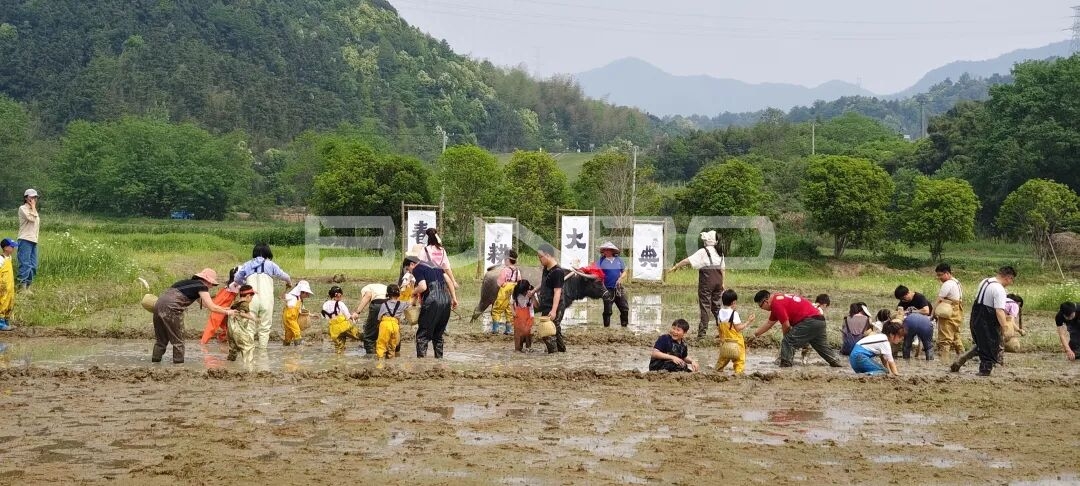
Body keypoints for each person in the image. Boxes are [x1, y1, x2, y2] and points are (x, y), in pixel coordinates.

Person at [152, 268, 236, 363]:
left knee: (160, 341)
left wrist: (226, 308)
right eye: (212, 284)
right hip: (172, 310)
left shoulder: (187, 284)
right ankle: (178, 367)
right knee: (178, 341)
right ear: (207, 281)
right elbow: (212, 307)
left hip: (157, 306)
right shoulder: (201, 286)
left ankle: (154, 364)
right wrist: (228, 313)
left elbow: (205, 304)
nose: (211, 286)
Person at [750, 290, 843, 368]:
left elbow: (786, 325)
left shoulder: (776, 304)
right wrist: (755, 335)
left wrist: (787, 340)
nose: (762, 309)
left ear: (765, 301)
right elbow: (769, 323)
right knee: (822, 347)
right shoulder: (778, 299)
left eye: (760, 306)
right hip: (820, 320)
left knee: (787, 341)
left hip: (809, 321)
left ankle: (785, 367)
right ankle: (837, 363)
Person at [951, 266, 1016, 376]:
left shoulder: (985, 281)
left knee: (982, 344)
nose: (1011, 283)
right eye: (1012, 280)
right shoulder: (999, 289)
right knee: (990, 345)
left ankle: (961, 359)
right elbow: (999, 311)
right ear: (1008, 278)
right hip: (987, 319)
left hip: (976, 315)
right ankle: (984, 371)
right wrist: (1004, 327)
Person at [232, 244, 293, 348]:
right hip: (266, 299)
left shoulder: (247, 264)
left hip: (250, 299)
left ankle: (248, 350)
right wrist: (289, 282)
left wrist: (244, 284)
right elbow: (285, 276)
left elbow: (237, 279)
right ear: (268, 253)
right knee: (265, 327)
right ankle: (263, 352)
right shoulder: (271, 264)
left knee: (250, 326)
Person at [669, 231, 726, 338]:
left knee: (705, 307)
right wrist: (723, 283)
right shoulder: (720, 252)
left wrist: (676, 266)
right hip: (718, 282)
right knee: (717, 308)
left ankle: (702, 334)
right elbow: (723, 269)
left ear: (706, 241)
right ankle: (723, 332)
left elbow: (687, 261)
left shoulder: (703, 251)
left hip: (707, 283)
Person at [407, 256, 458, 358]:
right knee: (438, 334)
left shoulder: (418, 268)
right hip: (445, 300)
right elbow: (449, 281)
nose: (410, 273)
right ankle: (439, 360)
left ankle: (421, 363)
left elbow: (423, 287)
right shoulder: (436, 266)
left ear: (412, 264)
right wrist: (454, 298)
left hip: (432, 301)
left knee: (422, 335)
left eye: (409, 270)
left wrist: (412, 293)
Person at [536, 243, 567, 353]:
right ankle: (562, 352)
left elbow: (557, 291)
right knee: (555, 331)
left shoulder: (557, 272)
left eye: (541, 257)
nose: (539, 260)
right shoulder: (546, 268)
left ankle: (553, 356)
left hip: (555, 306)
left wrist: (554, 310)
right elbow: (544, 283)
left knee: (548, 332)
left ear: (548, 255)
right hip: (546, 304)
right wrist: (534, 291)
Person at [716, 290, 754, 374]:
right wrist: (748, 321)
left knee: (722, 359)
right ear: (733, 302)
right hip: (736, 343)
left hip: (725, 342)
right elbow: (738, 328)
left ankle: (717, 371)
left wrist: (721, 339)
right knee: (739, 361)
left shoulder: (720, 313)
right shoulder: (734, 313)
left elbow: (719, 328)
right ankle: (738, 374)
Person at [593, 242, 630, 328]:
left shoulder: (619, 260)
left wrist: (620, 279)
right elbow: (594, 271)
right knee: (608, 310)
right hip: (607, 289)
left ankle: (624, 327)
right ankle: (607, 328)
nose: (606, 251)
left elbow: (624, 271)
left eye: (608, 249)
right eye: (605, 250)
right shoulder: (601, 261)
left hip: (618, 288)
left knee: (624, 308)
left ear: (612, 251)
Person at [201, 266, 240, 345]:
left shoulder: (231, 285)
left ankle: (222, 340)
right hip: (219, 306)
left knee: (226, 325)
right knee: (212, 326)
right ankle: (203, 344)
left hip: (223, 305)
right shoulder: (235, 284)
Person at [934, 263, 965, 359]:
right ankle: (963, 356)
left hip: (948, 311)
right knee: (955, 334)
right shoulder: (956, 282)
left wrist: (932, 314)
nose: (939, 278)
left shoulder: (947, 284)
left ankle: (944, 359)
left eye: (940, 275)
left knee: (945, 336)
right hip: (958, 310)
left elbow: (939, 300)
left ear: (947, 273)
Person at [353, 281, 389, 355]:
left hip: (378, 305)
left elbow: (368, 296)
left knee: (369, 334)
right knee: (386, 329)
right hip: (390, 305)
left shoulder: (366, 288)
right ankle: (390, 352)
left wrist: (357, 312)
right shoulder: (384, 287)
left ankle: (370, 356)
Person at [491, 249, 521, 334]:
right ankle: (509, 330)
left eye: (505, 259)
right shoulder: (517, 271)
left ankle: (495, 329)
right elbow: (519, 281)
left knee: (497, 309)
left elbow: (499, 282)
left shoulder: (505, 270)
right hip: (513, 291)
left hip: (505, 291)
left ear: (508, 260)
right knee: (510, 310)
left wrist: (503, 285)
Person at [226, 285, 258, 363]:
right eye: (252, 297)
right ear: (248, 296)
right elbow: (242, 314)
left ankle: (230, 365)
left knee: (233, 349)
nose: (251, 299)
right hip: (238, 330)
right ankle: (248, 366)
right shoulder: (245, 304)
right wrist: (254, 319)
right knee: (249, 346)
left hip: (230, 330)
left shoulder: (236, 303)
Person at [16, 189, 40, 292]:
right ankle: (22, 287)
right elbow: (32, 219)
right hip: (25, 239)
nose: (33, 199)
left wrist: (34, 208)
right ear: (26, 198)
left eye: (35, 197)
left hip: (33, 240)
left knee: (33, 265)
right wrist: (34, 207)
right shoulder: (23, 208)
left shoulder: (34, 210)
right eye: (31, 197)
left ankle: (29, 287)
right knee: (25, 263)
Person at [323, 286, 359, 354]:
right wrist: (354, 317)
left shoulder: (325, 304)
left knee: (339, 347)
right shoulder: (340, 304)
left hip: (333, 329)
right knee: (359, 336)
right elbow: (348, 316)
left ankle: (338, 360)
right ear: (338, 295)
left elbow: (325, 317)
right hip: (344, 327)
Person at [376, 285, 406, 359]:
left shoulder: (384, 304)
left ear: (388, 294)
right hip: (395, 326)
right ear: (398, 294)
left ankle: (380, 363)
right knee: (392, 346)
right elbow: (411, 303)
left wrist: (378, 326)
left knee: (381, 345)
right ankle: (391, 362)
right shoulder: (402, 304)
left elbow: (379, 317)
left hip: (385, 324)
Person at [281, 280, 313, 346]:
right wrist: (286, 289)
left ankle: (286, 345)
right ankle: (298, 345)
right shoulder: (291, 296)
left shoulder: (300, 300)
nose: (308, 295)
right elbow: (282, 297)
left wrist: (311, 315)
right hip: (289, 318)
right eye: (306, 293)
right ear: (301, 292)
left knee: (289, 334)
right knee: (297, 331)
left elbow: (302, 310)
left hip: (293, 319)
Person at [512, 280, 536, 352]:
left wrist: (532, 296)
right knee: (518, 333)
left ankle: (528, 347)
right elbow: (511, 302)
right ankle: (518, 349)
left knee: (527, 332)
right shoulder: (516, 293)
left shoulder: (532, 293)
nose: (523, 294)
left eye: (524, 292)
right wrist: (513, 312)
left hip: (529, 315)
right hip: (518, 315)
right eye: (521, 292)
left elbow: (537, 305)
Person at [0, 238, 17, 331]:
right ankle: (0, 322)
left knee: (10, 302)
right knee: (3, 302)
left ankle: (6, 320)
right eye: (12, 246)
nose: (13, 248)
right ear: (6, 248)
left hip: (10, 285)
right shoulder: (1, 259)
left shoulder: (9, 258)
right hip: (3, 286)